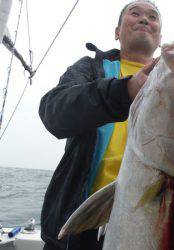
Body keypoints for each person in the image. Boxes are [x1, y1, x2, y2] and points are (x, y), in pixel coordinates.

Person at [39, 0, 162, 249]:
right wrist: (123, 91)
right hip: (79, 226)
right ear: (117, 32)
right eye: (135, 13)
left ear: (160, 38)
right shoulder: (90, 68)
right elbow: (54, 113)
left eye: (153, 16)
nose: (144, 19)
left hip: (150, 221)